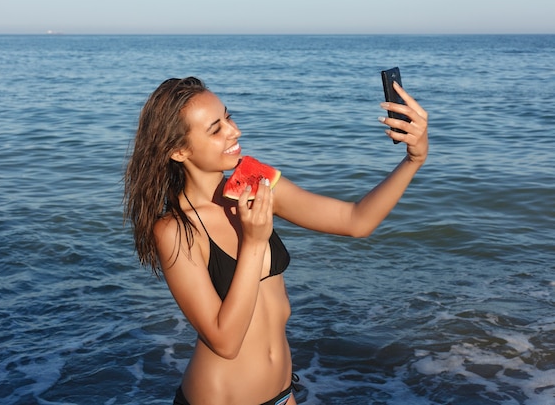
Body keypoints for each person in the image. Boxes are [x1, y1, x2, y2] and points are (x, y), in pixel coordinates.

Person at [124, 77, 428, 405]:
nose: (234, 131)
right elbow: (225, 341)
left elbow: (356, 221)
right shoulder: (175, 230)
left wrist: (414, 160)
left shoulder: (259, 187)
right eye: (216, 129)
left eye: (229, 117)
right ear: (178, 150)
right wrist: (254, 243)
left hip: (283, 395)